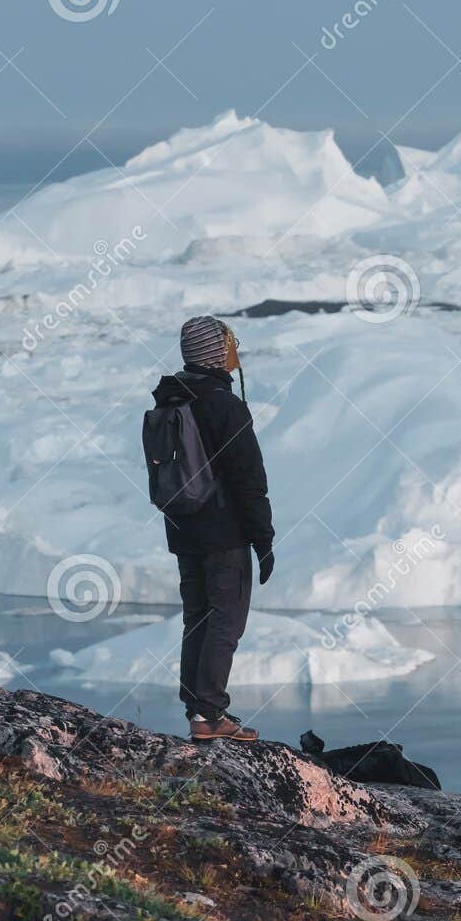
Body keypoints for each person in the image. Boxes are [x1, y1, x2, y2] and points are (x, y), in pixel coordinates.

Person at [149, 316, 274, 741]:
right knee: (226, 621)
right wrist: (263, 539)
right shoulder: (223, 405)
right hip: (225, 533)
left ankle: (198, 713)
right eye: (230, 341)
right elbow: (248, 477)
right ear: (216, 352)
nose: (236, 348)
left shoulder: (171, 402)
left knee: (198, 618)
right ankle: (210, 714)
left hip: (184, 529)